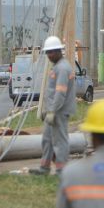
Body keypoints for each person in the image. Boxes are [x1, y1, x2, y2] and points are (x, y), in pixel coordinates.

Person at [29, 35, 76, 176]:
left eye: (51, 52)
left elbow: (60, 93)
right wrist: (48, 110)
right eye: (47, 52)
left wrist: (52, 111)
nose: (49, 55)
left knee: (60, 141)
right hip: (54, 110)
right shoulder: (57, 67)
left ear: (58, 51)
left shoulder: (62, 68)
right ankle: (44, 167)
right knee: (47, 139)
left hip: (59, 111)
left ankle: (61, 170)